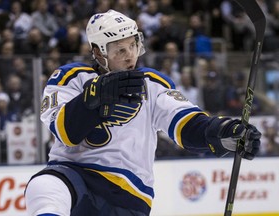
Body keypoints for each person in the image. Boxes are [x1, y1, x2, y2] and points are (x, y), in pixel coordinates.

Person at [24, 10, 261, 216]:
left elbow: (184, 123)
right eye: (119, 50)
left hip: (128, 195)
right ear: (98, 53)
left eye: (133, 45)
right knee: (45, 185)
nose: (130, 55)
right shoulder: (69, 78)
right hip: (75, 178)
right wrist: (92, 99)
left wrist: (220, 131)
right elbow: (64, 132)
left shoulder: (152, 84)